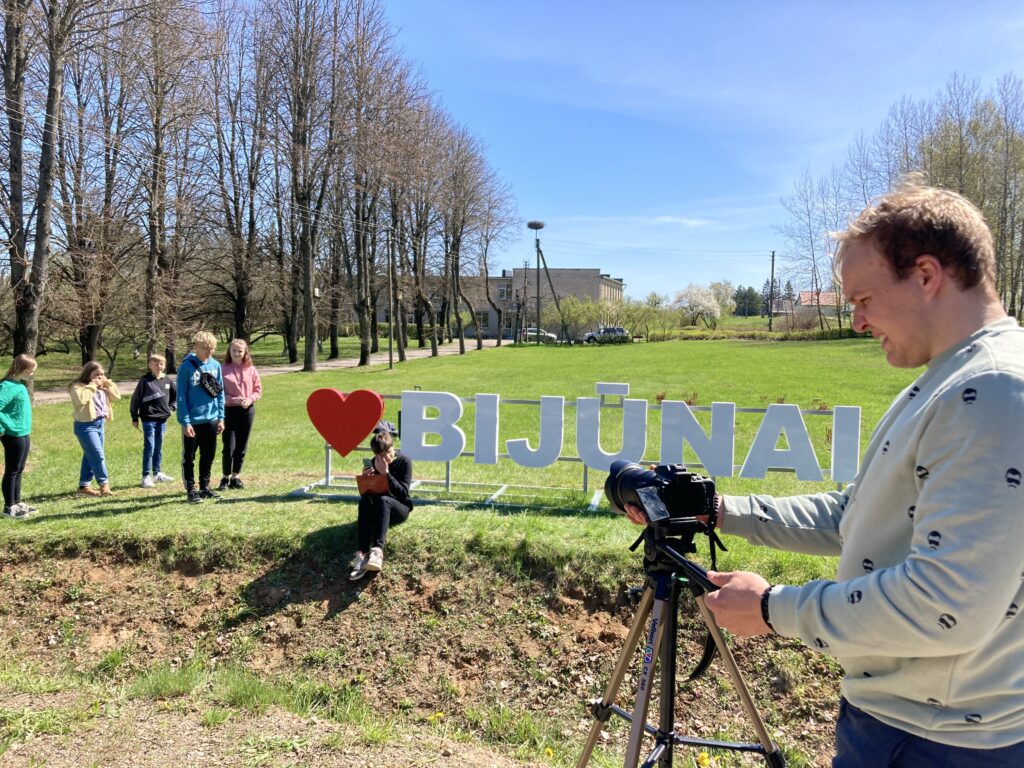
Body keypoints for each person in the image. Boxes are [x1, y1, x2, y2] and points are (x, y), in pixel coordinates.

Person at [626, 184, 1024, 767]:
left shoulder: (991, 389)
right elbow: (857, 516)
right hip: (905, 724)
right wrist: (718, 509)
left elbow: (947, 604)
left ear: (926, 275)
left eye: (864, 297)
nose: (857, 320)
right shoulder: (952, 378)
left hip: (936, 743)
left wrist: (773, 610)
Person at [348, 427, 413, 581]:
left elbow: (403, 493)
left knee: (384, 500)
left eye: (388, 453)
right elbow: (367, 495)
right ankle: (362, 554)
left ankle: (377, 551)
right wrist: (366, 480)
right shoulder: (374, 463)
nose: (385, 458)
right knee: (364, 501)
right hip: (378, 510)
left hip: (399, 507)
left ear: (393, 447)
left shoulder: (404, 461)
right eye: (380, 456)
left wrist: (386, 474)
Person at [176, 331, 225, 504]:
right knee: (189, 457)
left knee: (208, 455)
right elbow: (180, 396)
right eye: (206, 348)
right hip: (193, 421)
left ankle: (205, 487)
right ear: (196, 346)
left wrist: (221, 417)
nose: (209, 352)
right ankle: (191, 489)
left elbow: (220, 393)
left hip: (211, 420)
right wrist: (185, 421)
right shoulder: (186, 367)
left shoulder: (215, 365)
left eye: (212, 348)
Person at [70, 361, 121, 496]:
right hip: (85, 426)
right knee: (97, 455)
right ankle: (104, 485)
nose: (99, 377)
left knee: (90, 455)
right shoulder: (78, 386)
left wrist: (108, 384)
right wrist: (92, 385)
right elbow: (80, 400)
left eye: (102, 375)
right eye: (96, 375)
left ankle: (83, 487)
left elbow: (117, 397)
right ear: (88, 374)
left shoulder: (102, 386)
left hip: (100, 424)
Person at [218, 338, 261, 491]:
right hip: (229, 411)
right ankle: (225, 477)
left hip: (247, 411)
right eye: (234, 350)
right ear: (229, 351)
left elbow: (258, 390)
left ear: (245, 353)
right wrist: (233, 399)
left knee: (242, 445)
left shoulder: (251, 369)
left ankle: (236, 477)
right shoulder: (222, 369)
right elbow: (217, 393)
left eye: (240, 351)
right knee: (229, 446)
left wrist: (250, 399)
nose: (237, 353)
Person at [130, 354, 176, 488]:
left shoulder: (168, 381)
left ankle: (157, 473)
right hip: (148, 419)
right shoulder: (145, 381)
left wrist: (172, 408)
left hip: (162, 420)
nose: (159, 366)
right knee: (149, 446)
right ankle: (145, 476)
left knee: (158, 447)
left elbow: (175, 397)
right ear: (150, 365)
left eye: (161, 364)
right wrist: (134, 417)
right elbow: (136, 399)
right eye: (155, 363)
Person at [0, 355, 37, 518]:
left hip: (23, 432)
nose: (32, 374)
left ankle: (17, 502)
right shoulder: (6, 386)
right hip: (12, 433)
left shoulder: (19, 385)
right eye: (30, 371)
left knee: (20, 469)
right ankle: (9, 507)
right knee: (12, 470)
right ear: (21, 369)